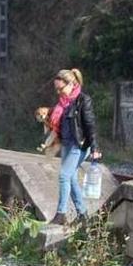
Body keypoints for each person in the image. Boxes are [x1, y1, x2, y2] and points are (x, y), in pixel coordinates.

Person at [48, 68, 101, 225]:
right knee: (70, 178)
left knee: (64, 176)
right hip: (66, 144)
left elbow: (90, 124)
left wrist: (95, 147)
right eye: (56, 89)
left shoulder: (83, 100)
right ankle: (83, 215)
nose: (59, 92)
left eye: (61, 88)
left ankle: (61, 214)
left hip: (79, 146)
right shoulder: (62, 105)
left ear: (72, 83)